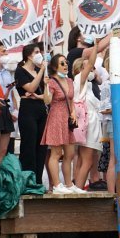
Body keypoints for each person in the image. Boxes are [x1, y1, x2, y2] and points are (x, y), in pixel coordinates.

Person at [42, 53, 82, 194]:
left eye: (66, 62)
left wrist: (73, 113)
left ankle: (69, 184)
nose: (66, 65)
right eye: (62, 63)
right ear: (54, 66)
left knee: (70, 153)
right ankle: (57, 185)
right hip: (56, 117)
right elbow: (47, 101)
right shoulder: (52, 81)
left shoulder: (69, 81)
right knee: (56, 153)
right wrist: (46, 86)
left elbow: (70, 99)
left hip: (67, 118)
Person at [15, 43, 49, 184]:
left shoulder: (39, 70)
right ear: (29, 55)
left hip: (41, 108)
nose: (39, 54)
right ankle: (28, 180)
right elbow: (31, 87)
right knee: (29, 145)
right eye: (36, 52)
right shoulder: (20, 71)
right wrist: (41, 71)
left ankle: (38, 180)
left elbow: (46, 97)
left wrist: (44, 86)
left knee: (41, 146)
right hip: (28, 109)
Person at [72, 43, 100, 191]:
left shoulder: (86, 85)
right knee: (88, 160)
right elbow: (91, 62)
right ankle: (79, 189)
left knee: (82, 159)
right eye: (87, 67)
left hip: (89, 123)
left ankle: (77, 187)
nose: (91, 68)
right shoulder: (79, 80)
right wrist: (96, 46)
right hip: (89, 124)